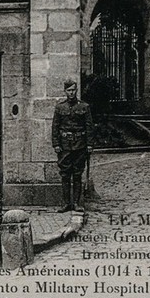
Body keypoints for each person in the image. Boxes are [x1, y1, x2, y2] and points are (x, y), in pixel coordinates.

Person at [51, 79, 93, 213]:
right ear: (65, 91)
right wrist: (56, 144)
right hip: (64, 146)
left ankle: (76, 203)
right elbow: (55, 127)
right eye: (69, 90)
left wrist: (90, 144)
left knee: (77, 174)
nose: (71, 93)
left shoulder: (84, 107)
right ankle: (65, 203)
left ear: (76, 90)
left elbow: (89, 127)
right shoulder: (60, 107)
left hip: (80, 145)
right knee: (65, 174)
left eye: (73, 90)